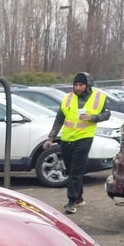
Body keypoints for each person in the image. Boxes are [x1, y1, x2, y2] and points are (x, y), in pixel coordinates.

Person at [43, 72, 110, 214]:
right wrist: (50, 138)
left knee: (75, 172)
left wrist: (93, 117)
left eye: (81, 85)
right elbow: (59, 120)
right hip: (67, 139)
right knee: (70, 170)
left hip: (84, 138)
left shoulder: (99, 97)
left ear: (87, 86)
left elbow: (107, 114)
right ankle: (79, 198)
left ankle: (71, 202)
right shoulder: (67, 98)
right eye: (76, 85)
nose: (78, 88)